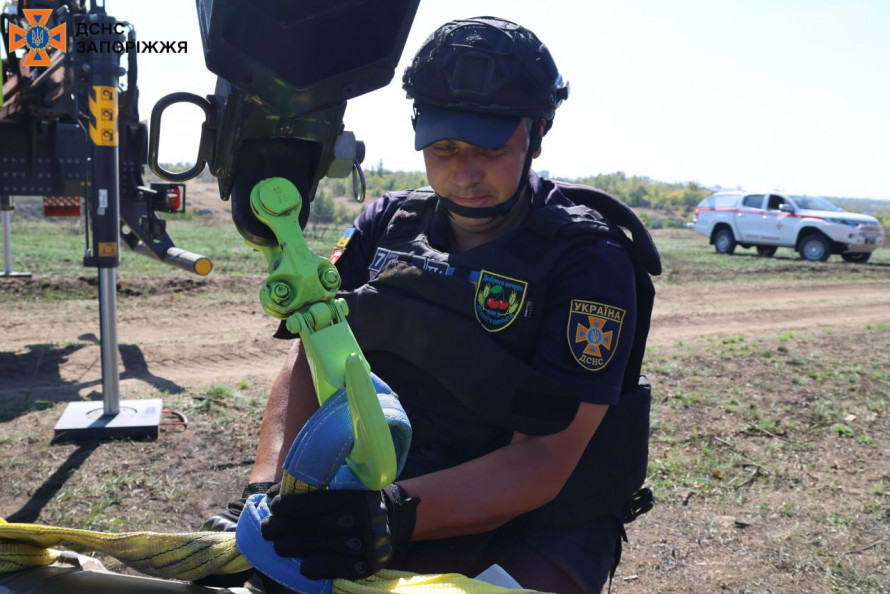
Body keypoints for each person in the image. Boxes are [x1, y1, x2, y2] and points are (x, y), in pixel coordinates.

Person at [207, 15, 658, 594]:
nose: (465, 172)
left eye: (490, 148)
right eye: (443, 148)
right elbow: (310, 356)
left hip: (533, 524)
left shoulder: (587, 258)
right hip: (375, 503)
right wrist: (271, 493)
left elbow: (547, 456)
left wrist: (391, 515)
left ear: (537, 133)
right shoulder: (386, 224)